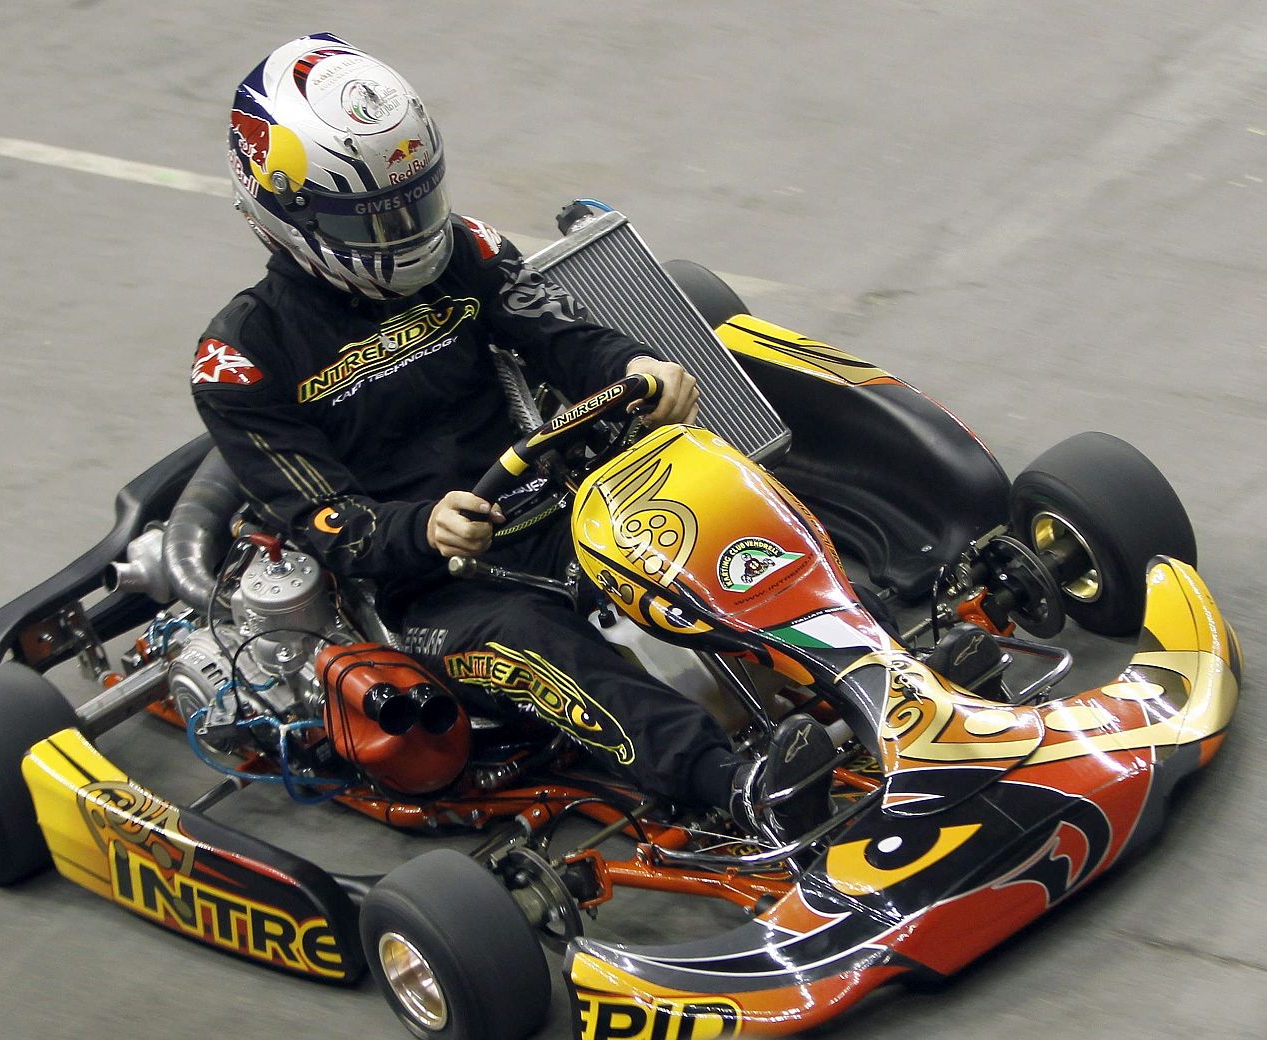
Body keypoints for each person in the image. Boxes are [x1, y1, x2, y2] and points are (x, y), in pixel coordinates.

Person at [191, 33, 829, 836]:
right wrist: (422, 528)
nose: (407, 228)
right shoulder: (245, 359)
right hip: (436, 590)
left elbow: (562, 337)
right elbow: (328, 522)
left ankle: (890, 681)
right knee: (543, 643)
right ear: (288, 211)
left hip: (559, 506)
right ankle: (736, 787)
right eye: (376, 217)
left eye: (414, 201)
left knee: (720, 520)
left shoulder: (466, 252)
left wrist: (635, 363)